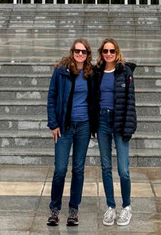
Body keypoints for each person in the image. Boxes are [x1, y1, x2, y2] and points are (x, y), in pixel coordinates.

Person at [46, 38, 96, 227]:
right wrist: (53, 124)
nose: (80, 54)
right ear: (72, 51)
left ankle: (73, 210)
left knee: (78, 169)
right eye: (77, 51)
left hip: (83, 126)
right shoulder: (61, 72)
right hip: (64, 127)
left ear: (88, 54)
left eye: (83, 52)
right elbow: (52, 97)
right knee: (60, 170)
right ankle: (55, 209)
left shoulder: (91, 73)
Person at [93, 37, 137, 227]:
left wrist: (129, 126)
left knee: (123, 170)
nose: (108, 54)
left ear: (116, 52)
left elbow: (130, 101)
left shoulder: (125, 71)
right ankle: (111, 207)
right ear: (101, 53)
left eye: (112, 51)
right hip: (103, 121)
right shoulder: (97, 72)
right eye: (105, 51)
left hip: (119, 122)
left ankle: (126, 207)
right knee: (105, 167)